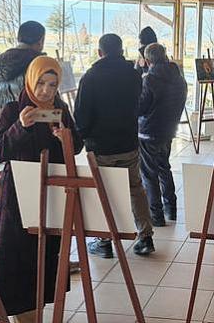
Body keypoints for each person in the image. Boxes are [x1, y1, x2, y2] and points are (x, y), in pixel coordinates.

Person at [0, 56, 83, 323]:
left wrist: (66, 138)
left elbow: (76, 146)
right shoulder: (12, 110)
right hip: (19, 197)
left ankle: (38, 313)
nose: (45, 91)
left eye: (52, 85)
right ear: (31, 80)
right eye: (41, 83)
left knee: (46, 259)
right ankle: (21, 316)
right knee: (17, 258)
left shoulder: (60, 109)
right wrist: (20, 127)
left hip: (52, 194)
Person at [73, 34, 155, 259]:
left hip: (101, 146)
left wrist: (80, 138)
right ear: (121, 50)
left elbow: (82, 116)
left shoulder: (90, 77)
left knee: (102, 191)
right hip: (128, 142)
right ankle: (145, 237)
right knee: (135, 188)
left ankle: (104, 240)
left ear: (100, 52)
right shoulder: (133, 75)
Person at [138, 43, 188, 225]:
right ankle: (171, 209)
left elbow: (141, 108)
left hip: (149, 132)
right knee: (164, 168)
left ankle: (156, 215)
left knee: (149, 174)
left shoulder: (150, 80)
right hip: (168, 130)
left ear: (147, 60)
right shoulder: (179, 79)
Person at [0, 21, 46, 108]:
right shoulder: (38, 62)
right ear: (41, 41)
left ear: (19, 38)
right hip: (31, 114)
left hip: (2, 114)